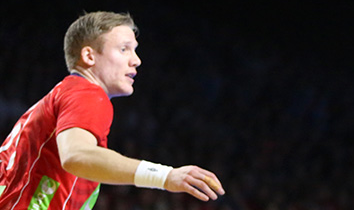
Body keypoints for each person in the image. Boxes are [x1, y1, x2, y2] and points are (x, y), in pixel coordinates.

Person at [0, 12, 225, 209]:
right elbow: (77, 155)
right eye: (124, 49)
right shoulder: (86, 92)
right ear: (89, 56)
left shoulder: (60, 96)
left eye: (135, 51)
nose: (136, 60)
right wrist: (165, 176)